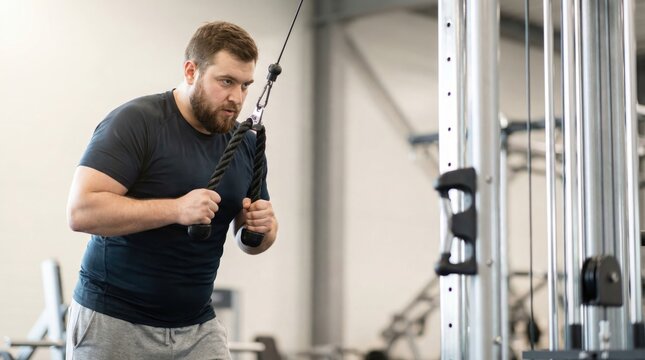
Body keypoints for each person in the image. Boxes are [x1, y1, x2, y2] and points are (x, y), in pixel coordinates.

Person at [65, 21, 278, 360]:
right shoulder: (137, 122)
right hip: (115, 320)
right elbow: (81, 212)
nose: (236, 98)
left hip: (197, 326)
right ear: (191, 71)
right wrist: (176, 210)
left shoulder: (245, 144)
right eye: (226, 82)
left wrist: (263, 229)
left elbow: (250, 241)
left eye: (245, 85)